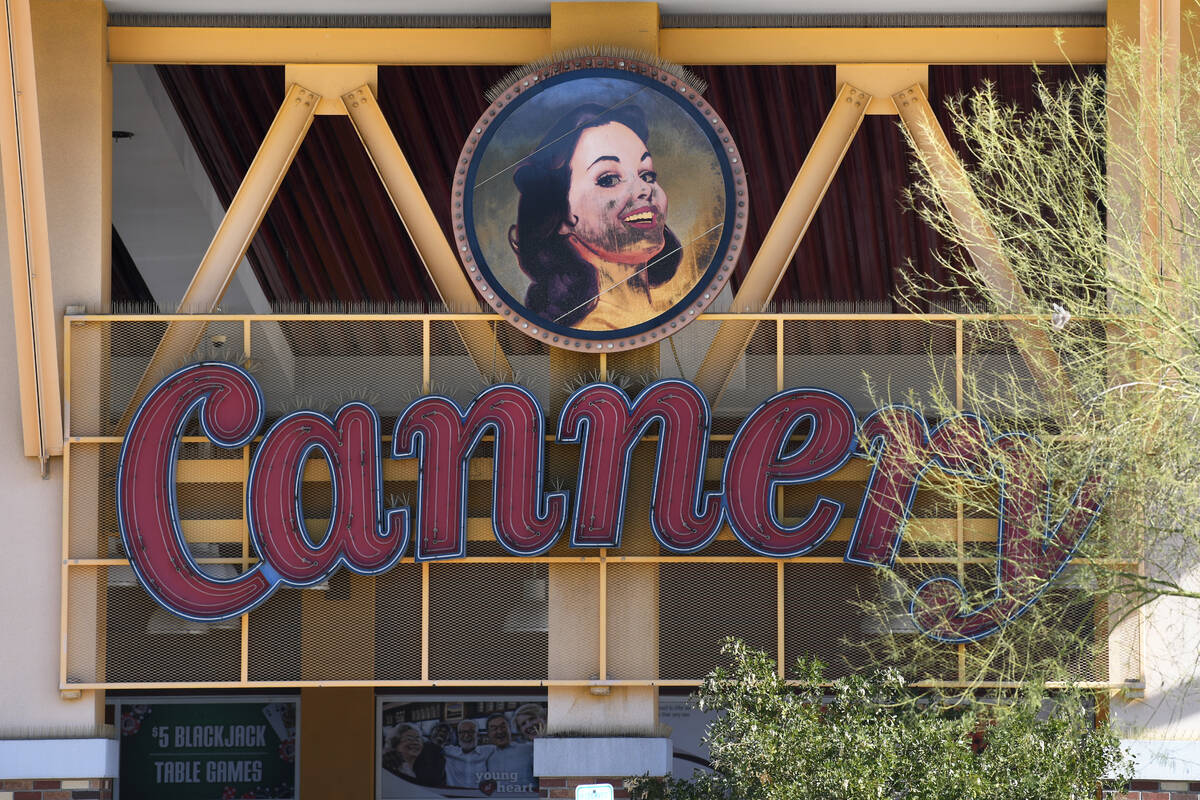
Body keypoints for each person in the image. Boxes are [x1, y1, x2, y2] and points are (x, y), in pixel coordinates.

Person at [510, 103, 683, 331]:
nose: (644, 189)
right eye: (609, 179)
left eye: (647, 175)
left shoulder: (666, 313)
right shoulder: (588, 332)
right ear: (561, 215)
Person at [484, 713, 535, 791]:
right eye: (494, 728)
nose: (499, 731)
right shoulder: (488, 757)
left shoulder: (529, 749)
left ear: (510, 729)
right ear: (488, 734)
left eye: (503, 726)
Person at [444, 718, 495, 788]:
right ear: (457, 735)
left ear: (478, 735)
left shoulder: (490, 750)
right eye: (461, 732)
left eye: (471, 731)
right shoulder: (448, 751)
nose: (466, 735)